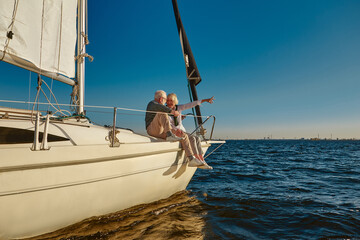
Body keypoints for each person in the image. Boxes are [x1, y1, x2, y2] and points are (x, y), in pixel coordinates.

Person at [145, 90, 203, 167]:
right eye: (165, 100)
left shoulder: (173, 107)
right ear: (161, 99)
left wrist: (175, 131)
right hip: (152, 129)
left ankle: (191, 159)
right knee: (162, 112)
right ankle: (169, 135)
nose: (166, 102)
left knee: (183, 135)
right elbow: (161, 108)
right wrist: (173, 112)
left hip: (162, 130)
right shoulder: (152, 104)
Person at [166, 93, 214, 169]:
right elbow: (167, 124)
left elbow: (191, 104)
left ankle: (202, 160)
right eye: (167, 100)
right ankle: (197, 159)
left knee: (197, 138)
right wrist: (175, 130)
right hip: (174, 132)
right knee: (192, 138)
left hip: (181, 131)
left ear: (175, 101)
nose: (168, 102)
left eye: (171, 100)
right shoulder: (165, 110)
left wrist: (205, 100)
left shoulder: (179, 108)